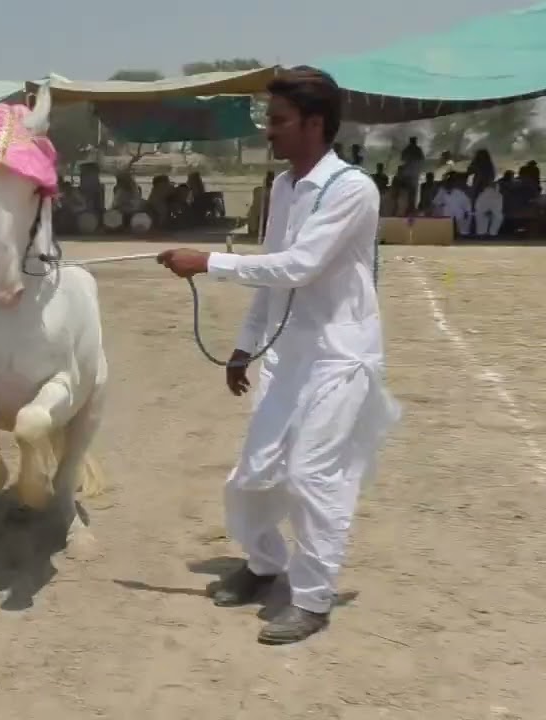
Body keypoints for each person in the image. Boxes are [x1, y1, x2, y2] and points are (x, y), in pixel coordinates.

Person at [155, 66, 401, 645]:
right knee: (254, 473)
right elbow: (274, 277)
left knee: (314, 475)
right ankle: (265, 565)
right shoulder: (286, 188)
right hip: (289, 354)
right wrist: (245, 344)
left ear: (316, 124)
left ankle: (312, 599)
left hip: (341, 357)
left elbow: (300, 266)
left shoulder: (352, 190)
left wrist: (208, 262)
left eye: (280, 120)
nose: (270, 131)